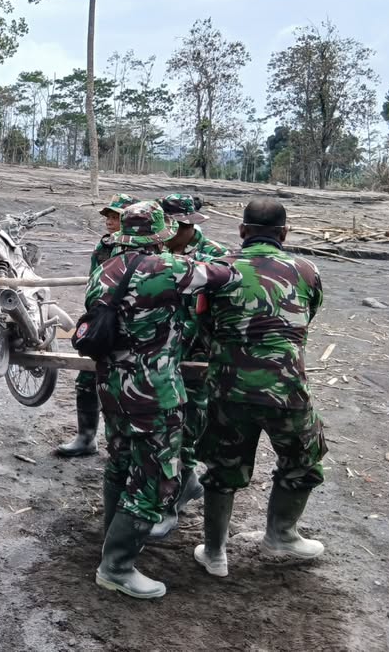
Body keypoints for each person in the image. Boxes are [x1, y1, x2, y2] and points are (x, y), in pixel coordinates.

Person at [85, 201, 240, 599]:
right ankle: (116, 566)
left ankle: (109, 541)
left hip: (112, 388)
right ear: (162, 233)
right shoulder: (169, 268)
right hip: (154, 391)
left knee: (119, 462)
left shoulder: (106, 269)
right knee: (157, 478)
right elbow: (227, 276)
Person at [193, 198, 328, 578]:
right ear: (285, 233)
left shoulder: (217, 269)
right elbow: (305, 319)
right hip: (287, 390)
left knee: (222, 470)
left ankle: (216, 552)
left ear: (241, 231)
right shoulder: (306, 270)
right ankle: (281, 534)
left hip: (227, 389)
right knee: (302, 462)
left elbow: (203, 324)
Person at [149, 193, 231, 538]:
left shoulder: (215, 257)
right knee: (160, 432)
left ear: (183, 224)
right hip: (160, 356)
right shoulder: (155, 250)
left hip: (196, 358)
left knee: (185, 433)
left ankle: (170, 506)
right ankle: (182, 486)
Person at [56, 193, 139, 457]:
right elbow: (94, 284)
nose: (110, 221)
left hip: (133, 328)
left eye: (117, 216)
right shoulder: (103, 247)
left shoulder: (146, 249)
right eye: (109, 216)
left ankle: (130, 446)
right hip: (104, 322)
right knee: (86, 378)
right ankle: (86, 437)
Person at [161, 193, 228, 261]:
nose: (159, 232)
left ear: (188, 225)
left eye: (166, 226)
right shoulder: (158, 247)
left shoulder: (216, 253)